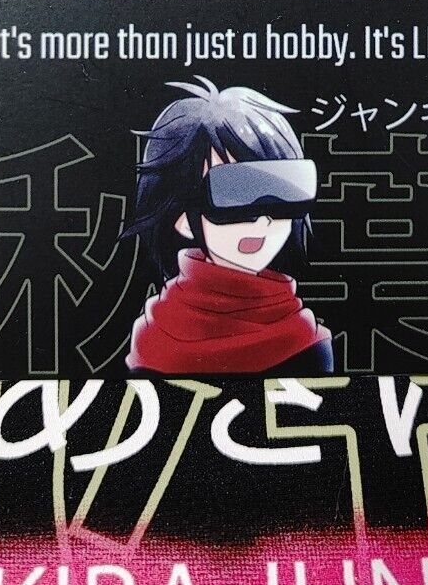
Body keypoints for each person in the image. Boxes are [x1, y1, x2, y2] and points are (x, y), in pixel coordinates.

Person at [125, 78, 334, 375]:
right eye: (234, 191)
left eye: (281, 191)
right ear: (182, 217)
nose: (262, 218)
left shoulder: (306, 340)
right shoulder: (155, 338)